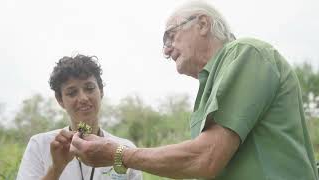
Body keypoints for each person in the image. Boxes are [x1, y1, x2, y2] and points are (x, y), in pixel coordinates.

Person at [70, 1, 319, 179]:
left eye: (170, 36)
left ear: (202, 24)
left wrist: (118, 153)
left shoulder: (245, 52)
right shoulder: (209, 88)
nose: (166, 50)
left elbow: (204, 158)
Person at [16, 54, 142, 180]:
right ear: (60, 100)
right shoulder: (40, 145)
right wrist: (56, 168)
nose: (83, 98)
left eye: (89, 88)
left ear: (101, 91)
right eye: (72, 93)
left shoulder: (125, 150)